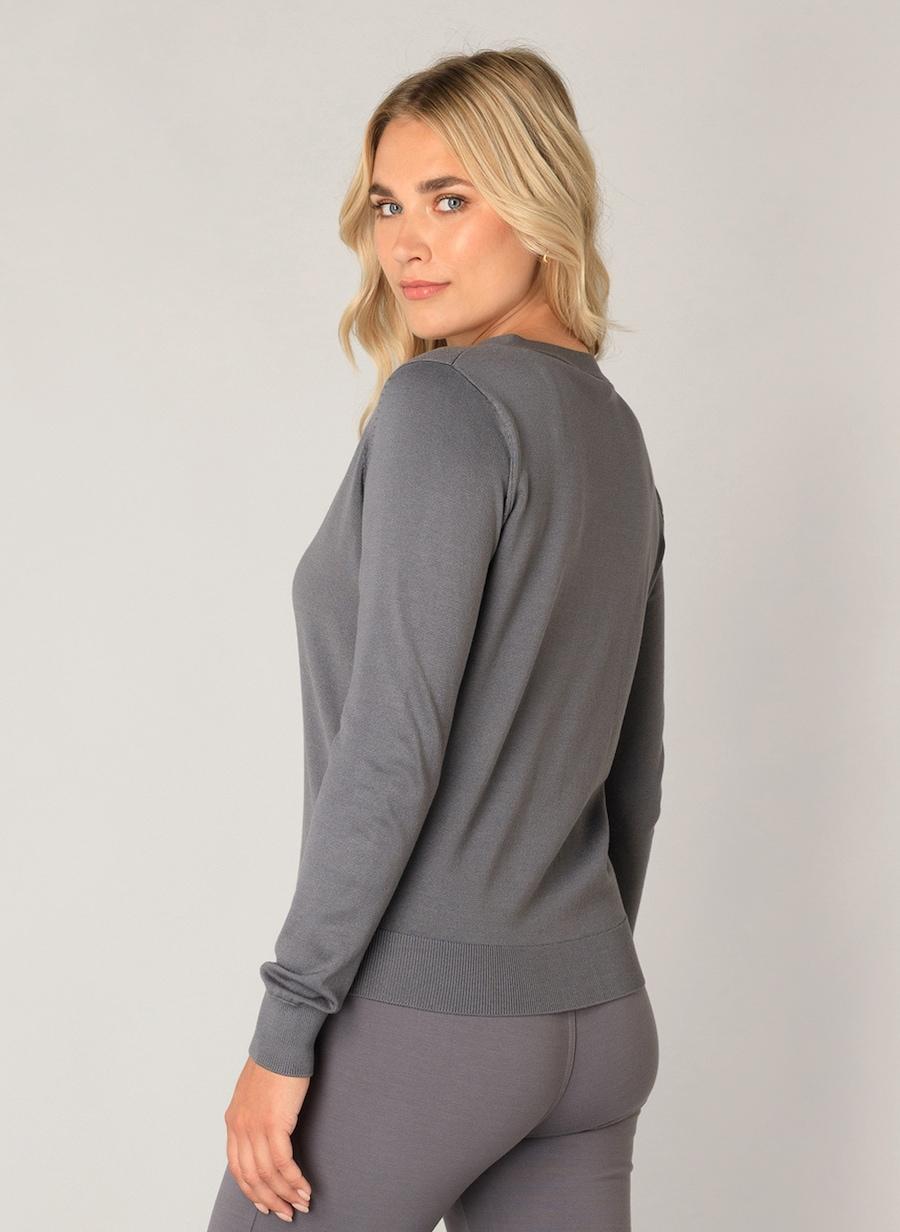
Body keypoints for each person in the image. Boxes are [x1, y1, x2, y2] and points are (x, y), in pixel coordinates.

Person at [206, 44, 666, 1232]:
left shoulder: (443, 404)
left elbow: (389, 748)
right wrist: (558, 968)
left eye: (449, 200)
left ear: (538, 196)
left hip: (430, 1022)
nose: (406, 243)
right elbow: (636, 767)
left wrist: (285, 1025)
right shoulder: (611, 428)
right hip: (600, 1019)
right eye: (387, 205)